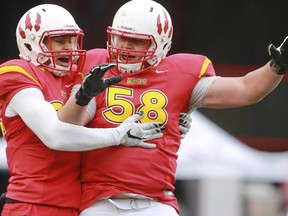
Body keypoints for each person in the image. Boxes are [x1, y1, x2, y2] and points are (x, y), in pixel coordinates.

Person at [59, 0, 288, 215]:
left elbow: (246, 89)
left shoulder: (180, 73)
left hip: (156, 202)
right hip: (99, 202)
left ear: (162, 43)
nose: (125, 47)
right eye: (121, 38)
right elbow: (66, 127)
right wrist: (84, 94)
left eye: (137, 40)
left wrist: (277, 65)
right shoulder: (96, 66)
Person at [0, 4, 167, 216]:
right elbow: (55, 136)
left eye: (72, 40)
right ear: (31, 42)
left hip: (74, 205)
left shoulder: (76, 78)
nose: (69, 47)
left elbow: (105, 114)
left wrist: (175, 118)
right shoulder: (17, 73)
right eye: (59, 40)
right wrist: (117, 135)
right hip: (32, 203)